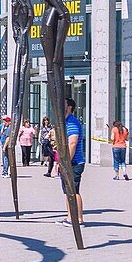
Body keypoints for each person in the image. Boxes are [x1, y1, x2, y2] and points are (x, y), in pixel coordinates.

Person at [59, 97, 86, 227]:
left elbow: (73, 143)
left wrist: (66, 162)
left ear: (69, 107)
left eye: (63, 103)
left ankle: (79, 219)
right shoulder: (65, 122)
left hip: (74, 163)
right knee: (67, 191)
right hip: (68, 162)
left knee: (74, 191)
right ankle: (70, 217)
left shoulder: (72, 123)